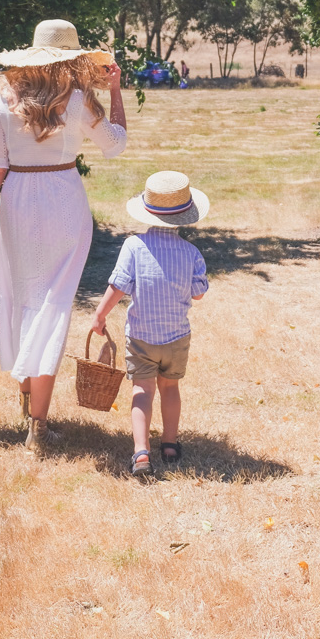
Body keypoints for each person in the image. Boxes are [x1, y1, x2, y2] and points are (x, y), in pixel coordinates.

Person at [0, 20, 126, 456]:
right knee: (51, 307)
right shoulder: (78, 101)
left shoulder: (4, 99)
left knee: (22, 299)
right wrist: (116, 92)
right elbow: (116, 143)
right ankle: (39, 426)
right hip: (64, 204)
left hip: (17, 204)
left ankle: (30, 403)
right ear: (71, 59)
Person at [90, 170, 209, 479]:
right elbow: (198, 294)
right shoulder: (192, 253)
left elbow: (118, 286)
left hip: (141, 337)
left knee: (142, 391)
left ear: (147, 210)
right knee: (170, 388)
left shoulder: (133, 246)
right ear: (185, 216)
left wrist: (100, 315)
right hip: (176, 338)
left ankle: (141, 452)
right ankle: (169, 445)